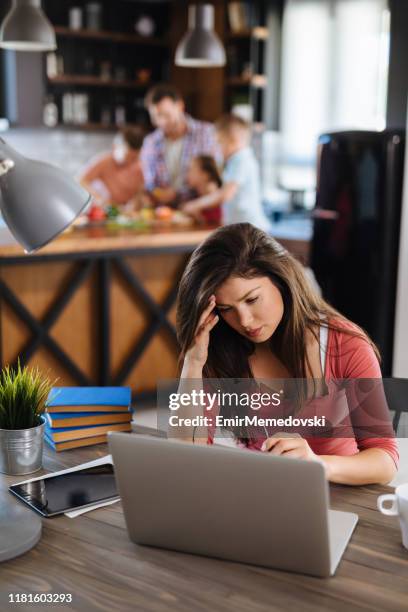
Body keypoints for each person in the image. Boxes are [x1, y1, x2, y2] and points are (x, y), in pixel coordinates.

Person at [175, 223, 398, 486]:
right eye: (226, 308)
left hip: (335, 493)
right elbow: (184, 457)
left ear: (281, 281)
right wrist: (193, 363)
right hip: (260, 492)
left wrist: (318, 464)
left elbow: (385, 460)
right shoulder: (220, 346)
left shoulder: (346, 346)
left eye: (252, 299)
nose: (244, 321)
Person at [181, 114, 270, 231]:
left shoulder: (241, 160)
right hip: (242, 227)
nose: (216, 148)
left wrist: (196, 205)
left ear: (233, 141)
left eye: (219, 142)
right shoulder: (235, 161)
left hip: (251, 229)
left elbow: (225, 194)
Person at [140, 83, 220, 204]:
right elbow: (149, 182)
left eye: (166, 115)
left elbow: (214, 176)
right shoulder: (150, 142)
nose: (161, 122)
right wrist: (155, 193)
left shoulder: (207, 133)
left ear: (180, 106)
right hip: (163, 213)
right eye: (156, 117)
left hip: (199, 210)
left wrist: (177, 194)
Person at [80, 127, 145, 206]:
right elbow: (81, 181)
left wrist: (136, 203)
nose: (131, 162)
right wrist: (99, 198)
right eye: (128, 157)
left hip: (126, 213)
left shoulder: (139, 166)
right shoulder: (104, 161)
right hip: (105, 209)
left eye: (134, 158)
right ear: (115, 146)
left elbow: (139, 192)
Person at [185, 155, 222, 225]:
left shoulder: (215, 195)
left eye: (190, 170)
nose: (187, 174)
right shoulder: (197, 192)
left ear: (205, 175)